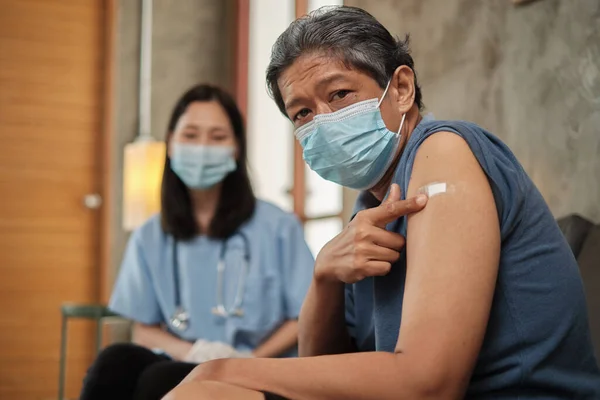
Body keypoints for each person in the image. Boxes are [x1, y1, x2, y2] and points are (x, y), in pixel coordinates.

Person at [165, 6, 600, 400]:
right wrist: (324, 280)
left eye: (339, 95)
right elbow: (323, 376)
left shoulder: (443, 152)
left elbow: (430, 384)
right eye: (302, 113)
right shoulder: (368, 211)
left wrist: (222, 371)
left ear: (402, 88)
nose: (323, 121)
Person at [79, 84, 315, 400]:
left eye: (217, 137)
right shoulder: (150, 235)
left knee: (159, 380)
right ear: (171, 145)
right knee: (116, 360)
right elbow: (143, 328)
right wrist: (195, 353)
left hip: (261, 367)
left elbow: (303, 317)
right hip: (185, 359)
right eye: (190, 135)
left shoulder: (278, 227)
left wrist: (248, 361)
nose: (203, 146)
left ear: (235, 149)